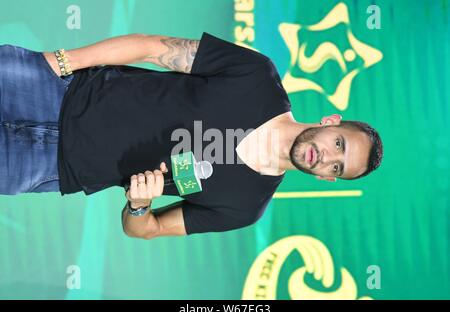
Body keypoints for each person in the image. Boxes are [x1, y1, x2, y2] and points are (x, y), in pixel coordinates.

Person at [0, 32, 383, 239]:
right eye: (339, 144)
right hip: (57, 89)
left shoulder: (245, 207)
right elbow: (153, 49)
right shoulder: (257, 77)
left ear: (327, 178)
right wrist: (62, 62)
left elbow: (146, 230)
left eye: (338, 166)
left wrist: (139, 205)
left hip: (52, 167)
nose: (328, 157)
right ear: (332, 120)